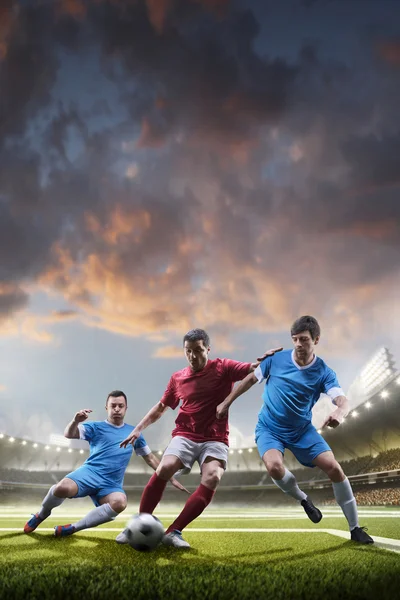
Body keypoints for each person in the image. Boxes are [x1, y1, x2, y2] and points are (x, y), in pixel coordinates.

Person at [117, 328, 282, 548]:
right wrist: (138, 428)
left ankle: (173, 532)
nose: (193, 356)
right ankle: (138, 525)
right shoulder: (177, 378)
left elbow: (253, 369)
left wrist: (270, 359)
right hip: (185, 435)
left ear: (208, 349)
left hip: (215, 438)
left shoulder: (223, 367)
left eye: (198, 350)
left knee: (212, 477)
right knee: (164, 468)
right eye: (188, 351)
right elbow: (161, 407)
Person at [216, 315, 373, 544]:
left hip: (301, 430)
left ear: (316, 340)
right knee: (274, 467)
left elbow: (342, 400)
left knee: (334, 469)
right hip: (269, 427)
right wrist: (226, 402)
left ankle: (355, 528)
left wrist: (339, 413)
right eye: (295, 339)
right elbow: (250, 380)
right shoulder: (276, 360)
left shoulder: (324, 372)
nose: (299, 344)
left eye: (304, 339)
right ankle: (303, 499)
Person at [24, 390, 188, 537]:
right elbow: (69, 434)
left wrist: (170, 477)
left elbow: (150, 458)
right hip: (89, 474)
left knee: (120, 503)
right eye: (113, 406)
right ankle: (41, 515)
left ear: (125, 408)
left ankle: (73, 528)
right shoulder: (95, 427)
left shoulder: (134, 433)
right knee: (62, 488)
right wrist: (75, 421)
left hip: (111, 484)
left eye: (120, 406)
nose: (117, 409)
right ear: (107, 408)